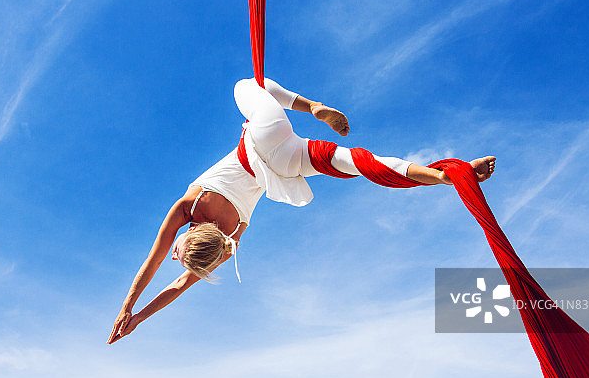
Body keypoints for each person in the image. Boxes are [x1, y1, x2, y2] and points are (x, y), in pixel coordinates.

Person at [107, 78, 495, 343]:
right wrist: (127, 307)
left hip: (286, 167)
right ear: (191, 234)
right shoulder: (189, 207)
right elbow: (153, 261)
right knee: (249, 85)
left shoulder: (228, 245)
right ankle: (314, 107)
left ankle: (446, 176)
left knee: (362, 164)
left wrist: (139, 319)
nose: (174, 254)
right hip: (262, 139)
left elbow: (177, 285)